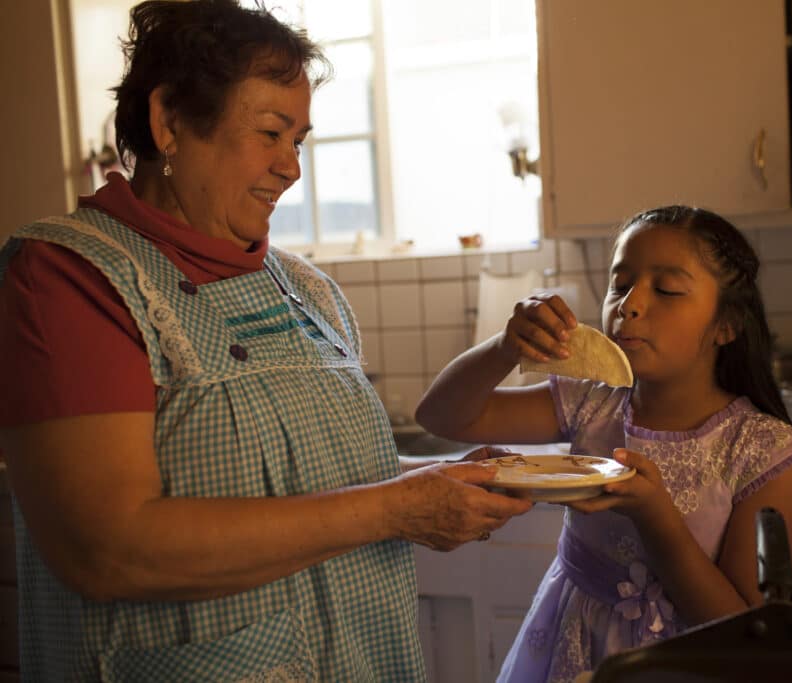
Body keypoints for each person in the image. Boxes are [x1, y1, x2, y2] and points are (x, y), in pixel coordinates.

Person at [0, 1, 531, 680]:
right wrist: (401, 506)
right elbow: (109, 549)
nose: (292, 168)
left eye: (299, 140)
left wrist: (442, 486)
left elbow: (322, 494)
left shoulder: (307, 291)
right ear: (169, 122)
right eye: (270, 133)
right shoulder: (70, 279)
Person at [416, 205, 792, 682]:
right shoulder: (591, 402)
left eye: (667, 289)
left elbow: (745, 634)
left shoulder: (765, 453)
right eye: (620, 285)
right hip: (572, 653)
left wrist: (653, 514)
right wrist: (505, 349)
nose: (630, 304)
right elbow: (441, 415)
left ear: (727, 325)